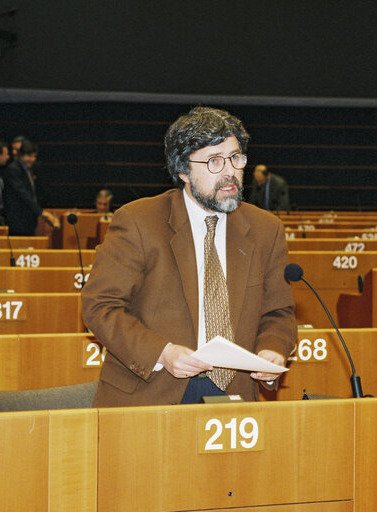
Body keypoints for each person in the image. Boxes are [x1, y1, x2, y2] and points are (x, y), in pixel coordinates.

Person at [82, 106, 297, 407]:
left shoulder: (266, 229)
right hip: (151, 390)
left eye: (236, 158)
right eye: (214, 161)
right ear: (183, 171)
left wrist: (272, 350)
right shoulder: (138, 221)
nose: (230, 172)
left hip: (234, 393)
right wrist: (162, 352)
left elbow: (279, 314)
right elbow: (100, 306)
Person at [1, 139, 60, 235]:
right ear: (20, 155)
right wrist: (41, 212)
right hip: (18, 220)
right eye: (29, 156)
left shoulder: (30, 168)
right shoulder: (13, 169)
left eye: (34, 156)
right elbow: (23, 194)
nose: (32, 159)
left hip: (29, 219)